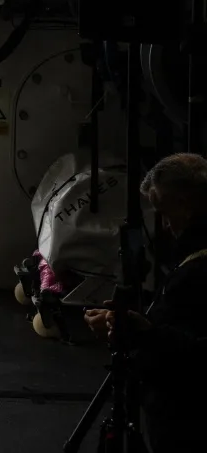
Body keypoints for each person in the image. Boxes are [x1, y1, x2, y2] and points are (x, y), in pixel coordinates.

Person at [83, 152, 207, 450]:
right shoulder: (191, 257)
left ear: (185, 206)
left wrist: (141, 333)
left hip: (186, 418)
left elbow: (194, 350)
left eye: (164, 212)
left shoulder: (198, 269)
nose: (164, 225)